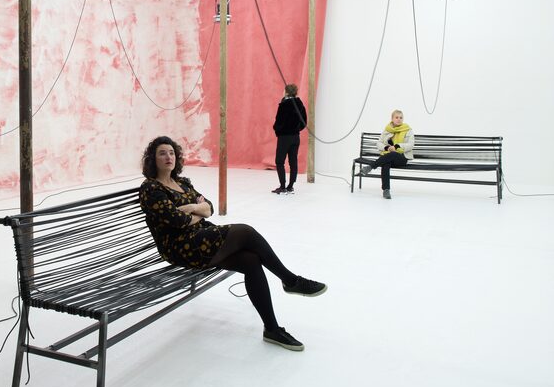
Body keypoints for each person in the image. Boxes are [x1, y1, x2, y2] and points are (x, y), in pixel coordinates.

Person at [138, 136, 327, 351]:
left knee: (251, 260)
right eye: (162, 153)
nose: (168, 157)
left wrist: (191, 209)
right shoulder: (151, 189)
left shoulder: (183, 183)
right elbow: (177, 221)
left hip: (200, 240)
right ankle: (290, 280)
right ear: (153, 159)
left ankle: (272, 329)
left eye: (171, 152)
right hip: (181, 248)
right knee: (245, 231)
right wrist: (196, 210)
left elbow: (209, 207)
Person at [360, 109, 414, 199]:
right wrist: (386, 148)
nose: (399, 119)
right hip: (387, 156)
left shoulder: (408, 130)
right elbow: (379, 143)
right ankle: (386, 190)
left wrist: (396, 147)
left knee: (392, 154)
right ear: (392, 119)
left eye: (401, 117)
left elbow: (410, 145)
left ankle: (370, 167)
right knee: (385, 163)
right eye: (396, 117)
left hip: (401, 158)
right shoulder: (387, 130)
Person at [272, 83, 307, 195]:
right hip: (295, 137)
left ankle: (282, 186)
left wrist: (277, 130)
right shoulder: (300, 104)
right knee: (293, 162)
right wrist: (296, 129)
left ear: (287, 92)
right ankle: (291, 186)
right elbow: (304, 122)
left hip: (284, 138)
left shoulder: (284, 105)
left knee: (279, 161)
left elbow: (278, 122)